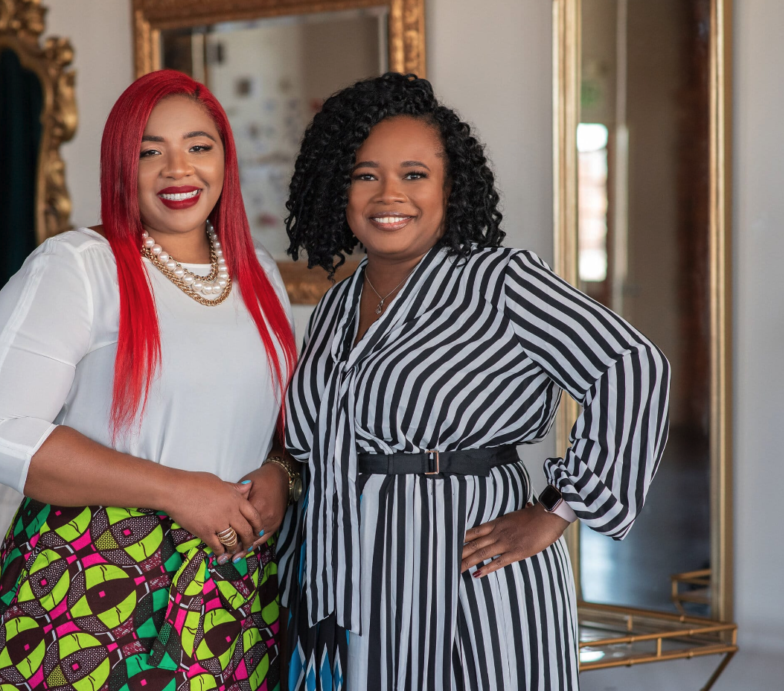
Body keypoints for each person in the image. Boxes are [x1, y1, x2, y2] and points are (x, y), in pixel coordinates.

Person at [275, 73, 670, 691]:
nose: (388, 194)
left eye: (414, 174)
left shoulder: (500, 282)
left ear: (450, 185)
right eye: (364, 174)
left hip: (472, 574)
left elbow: (631, 365)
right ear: (337, 187)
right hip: (358, 584)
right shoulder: (336, 306)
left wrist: (556, 510)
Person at [0, 70, 300, 691]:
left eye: (200, 146)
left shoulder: (257, 275)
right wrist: (178, 491)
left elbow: (275, 423)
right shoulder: (76, 268)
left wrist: (278, 473)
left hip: (231, 592)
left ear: (225, 158)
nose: (179, 169)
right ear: (121, 162)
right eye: (151, 151)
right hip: (90, 582)